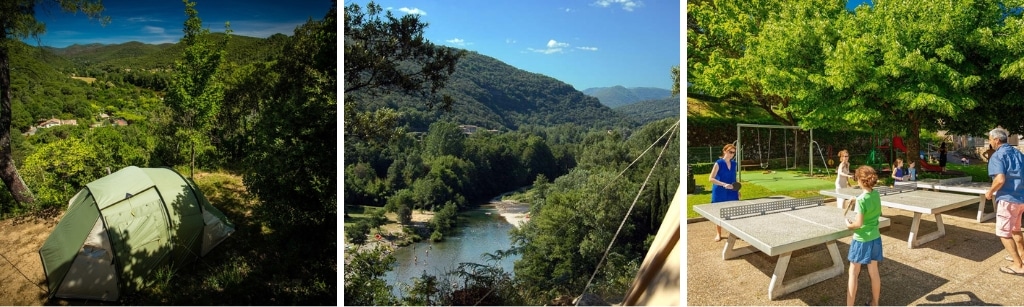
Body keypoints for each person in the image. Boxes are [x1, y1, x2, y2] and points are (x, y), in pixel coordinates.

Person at [984, 127, 1024, 276]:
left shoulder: (997, 155)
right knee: (1015, 229)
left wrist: (990, 192)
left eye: (989, 139)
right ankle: (1022, 257)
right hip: (1021, 198)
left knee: (1003, 233)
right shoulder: (1019, 153)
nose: (989, 142)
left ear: (996, 140)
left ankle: (1018, 265)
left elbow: (1000, 179)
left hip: (1008, 200)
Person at [846, 165, 883, 306]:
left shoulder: (862, 200)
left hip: (861, 240)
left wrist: (849, 224)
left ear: (860, 181)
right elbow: (871, 204)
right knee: (874, 272)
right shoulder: (876, 194)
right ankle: (875, 303)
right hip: (875, 238)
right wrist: (856, 200)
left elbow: (858, 224)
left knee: (853, 273)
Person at [709, 143, 740, 242]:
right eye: (730, 152)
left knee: (734, 212)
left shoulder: (734, 164)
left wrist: (737, 190)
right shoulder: (718, 163)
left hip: (732, 191)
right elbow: (711, 179)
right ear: (725, 151)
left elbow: (734, 178)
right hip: (720, 191)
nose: (732, 154)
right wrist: (723, 184)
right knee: (720, 213)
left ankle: (733, 233)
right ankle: (719, 233)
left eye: (733, 153)